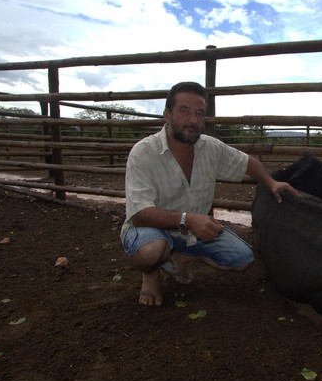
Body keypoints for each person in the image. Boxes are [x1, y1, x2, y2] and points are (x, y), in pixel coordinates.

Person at [120, 81, 296, 306]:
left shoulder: (210, 147)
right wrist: (188, 219)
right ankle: (150, 275)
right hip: (150, 229)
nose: (193, 120)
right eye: (184, 111)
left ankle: (180, 256)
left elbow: (247, 162)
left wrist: (272, 183)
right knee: (151, 251)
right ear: (167, 115)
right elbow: (140, 214)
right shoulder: (143, 152)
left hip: (191, 231)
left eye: (199, 113)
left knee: (242, 260)